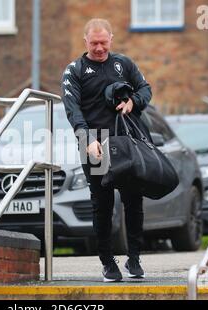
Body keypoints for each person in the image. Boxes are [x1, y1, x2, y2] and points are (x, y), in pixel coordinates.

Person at [61, 18, 152, 282]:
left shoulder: (123, 64)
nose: (99, 48)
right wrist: (87, 137)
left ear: (111, 39)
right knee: (102, 203)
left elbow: (146, 88)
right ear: (85, 41)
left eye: (103, 42)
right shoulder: (74, 70)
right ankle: (107, 262)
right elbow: (72, 108)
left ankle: (134, 259)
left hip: (125, 141)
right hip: (95, 142)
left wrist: (134, 102)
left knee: (133, 199)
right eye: (94, 43)